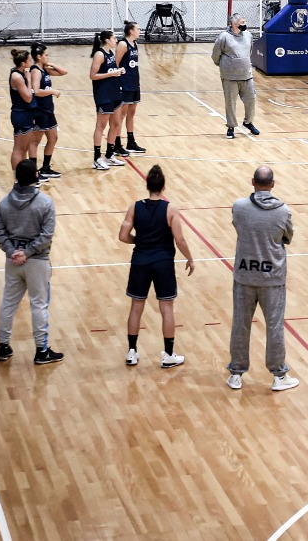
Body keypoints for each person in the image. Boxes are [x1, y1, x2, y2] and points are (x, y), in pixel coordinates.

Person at [227, 165, 299, 392]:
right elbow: (287, 237)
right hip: (272, 278)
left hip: (245, 275)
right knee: (275, 326)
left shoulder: (239, 207)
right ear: (273, 184)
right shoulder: (283, 211)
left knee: (241, 324)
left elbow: (239, 227)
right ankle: (279, 375)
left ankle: (236, 374)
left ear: (252, 181)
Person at [119, 165, 195, 368]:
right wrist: (190, 258)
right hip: (163, 262)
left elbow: (122, 236)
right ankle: (168, 354)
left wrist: (139, 241)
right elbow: (179, 239)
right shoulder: (170, 208)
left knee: (136, 307)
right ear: (163, 187)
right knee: (167, 308)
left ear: (147, 186)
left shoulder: (135, 207)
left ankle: (132, 352)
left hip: (140, 261)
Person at [0, 159, 63, 364]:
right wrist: (28, 252)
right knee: (39, 305)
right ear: (36, 177)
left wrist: (13, 251)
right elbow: (47, 235)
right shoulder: (45, 203)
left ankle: (3, 346)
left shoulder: (4, 203)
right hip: (37, 262)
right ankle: (41, 350)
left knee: (8, 303)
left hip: (13, 261)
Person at [211, 14, 260, 140]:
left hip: (246, 75)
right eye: (243, 22)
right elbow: (215, 55)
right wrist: (223, 66)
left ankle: (248, 122)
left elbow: (249, 51)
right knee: (231, 103)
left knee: (251, 99)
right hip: (229, 76)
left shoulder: (248, 35)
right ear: (235, 24)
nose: (245, 23)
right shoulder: (224, 37)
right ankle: (231, 126)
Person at [89, 30, 127, 170]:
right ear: (107, 40)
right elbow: (93, 75)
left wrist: (118, 71)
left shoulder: (111, 53)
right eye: (114, 38)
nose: (116, 40)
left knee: (116, 124)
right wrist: (111, 74)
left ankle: (109, 155)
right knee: (101, 126)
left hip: (115, 92)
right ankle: (97, 158)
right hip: (104, 94)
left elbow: (111, 71)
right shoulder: (99, 54)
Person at [29, 43, 67, 180]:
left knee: (53, 138)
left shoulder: (43, 69)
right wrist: (52, 91)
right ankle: (33, 173)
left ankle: (45, 168)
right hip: (39, 110)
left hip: (48, 110)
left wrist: (50, 63)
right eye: (46, 55)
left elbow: (64, 72)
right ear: (38, 56)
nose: (48, 56)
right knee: (35, 142)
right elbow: (36, 91)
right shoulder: (36, 71)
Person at [116, 21, 147, 155]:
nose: (140, 31)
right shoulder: (123, 44)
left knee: (132, 112)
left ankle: (130, 141)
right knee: (121, 114)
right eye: (138, 29)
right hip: (124, 82)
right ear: (131, 31)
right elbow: (116, 63)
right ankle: (116, 143)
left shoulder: (135, 44)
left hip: (134, 81)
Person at [8, 49, 39, 173]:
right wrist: (30, 80)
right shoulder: (17, 76)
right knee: (19, 149)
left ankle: (23, 175)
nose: (31, 61)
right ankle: (17, 177)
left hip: (26, 113)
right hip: (20, 114)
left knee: (24, 149)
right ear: (23, 63)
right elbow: (28, 97)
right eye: (29, 60)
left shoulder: (20, 74)